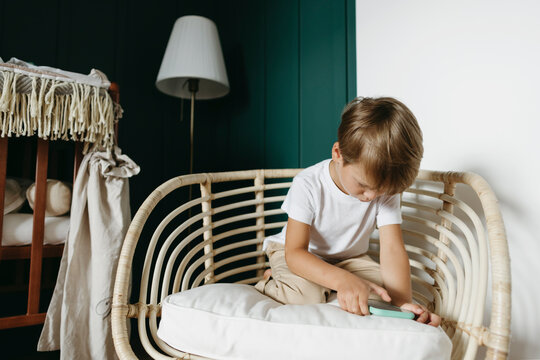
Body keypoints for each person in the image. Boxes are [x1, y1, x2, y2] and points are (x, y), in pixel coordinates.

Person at [255, 96, 441, 327]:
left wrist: (402, 304)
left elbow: (392, 248)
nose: (372, 197)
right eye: (363, 186)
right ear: (338, 153)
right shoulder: (308, 184)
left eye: (381, 191)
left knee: (382, 297)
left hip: (349, 258)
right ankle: (272, 279)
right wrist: (342, 280)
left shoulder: (384, 191)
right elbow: (295, 253)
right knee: (304, 295)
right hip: (299, 254)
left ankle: (329, 286)